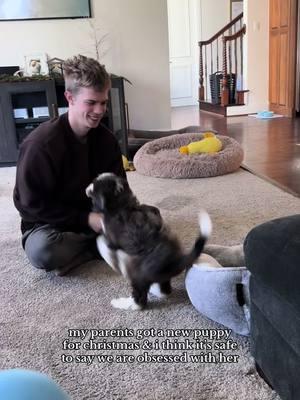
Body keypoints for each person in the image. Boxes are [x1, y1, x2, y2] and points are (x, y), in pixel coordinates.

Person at [13, 54, 126, 275]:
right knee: (43, 251)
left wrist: (118, 215)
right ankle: (96, 247)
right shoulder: (40, 144)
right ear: (69, 98)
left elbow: (119, 189)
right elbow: (29, 205)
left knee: (151, 218)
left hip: (96, 218)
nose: (100, 111)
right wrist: (85, 219)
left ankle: (91, 248)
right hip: (48, 225)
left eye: (103, 102)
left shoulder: (107, 140)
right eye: (91, 103)